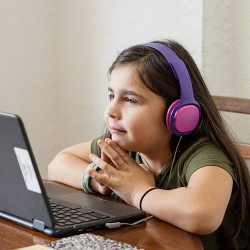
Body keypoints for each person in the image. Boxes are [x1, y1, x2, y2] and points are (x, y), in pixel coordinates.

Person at [48, 40, 250, 249]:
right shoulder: (123, 146)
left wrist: (137, 191)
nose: (111, 110)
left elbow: (201, 214)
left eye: (130, 100)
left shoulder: (203, 156)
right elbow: (58, 163)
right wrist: (100, 180)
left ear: (179, 113)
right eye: (111, 95)